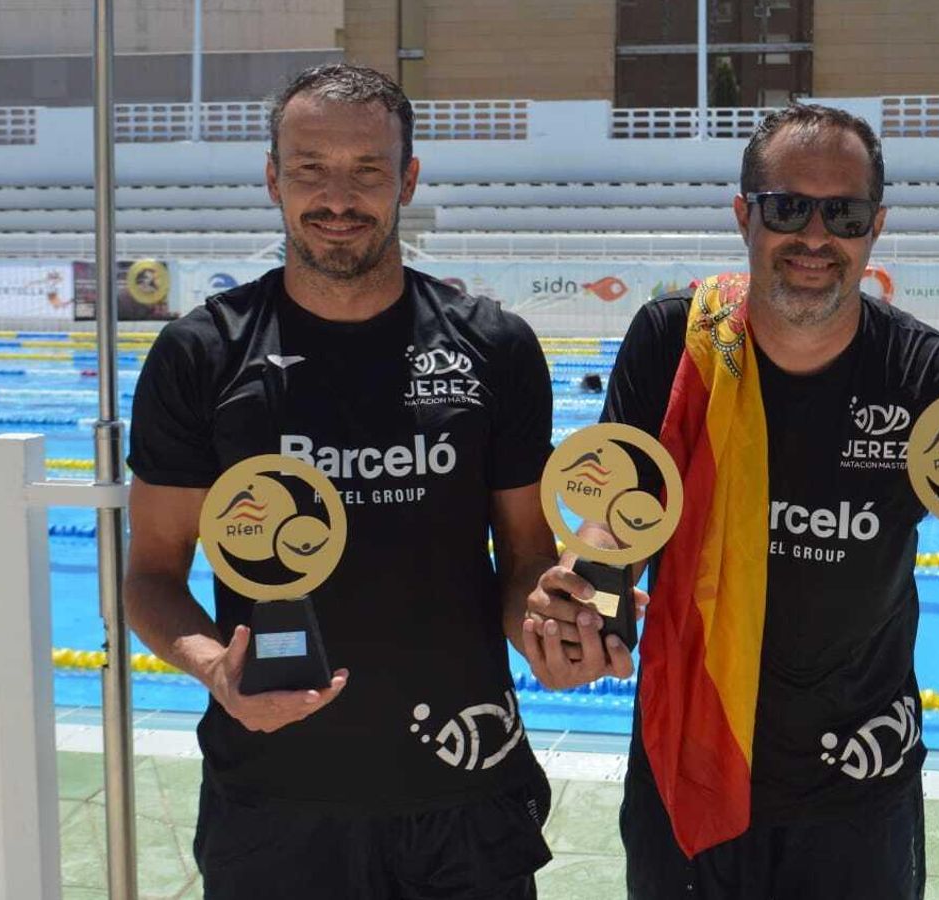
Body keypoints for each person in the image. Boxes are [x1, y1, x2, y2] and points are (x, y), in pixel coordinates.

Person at [520, 104, 939, 899]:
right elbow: (616, 518)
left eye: (845, 213)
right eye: (787, 207)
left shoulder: (931, 379)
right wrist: (574, 611)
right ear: (743, 216)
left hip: (857, 784)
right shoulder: (672, 344)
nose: (816, 237)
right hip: (687, 761)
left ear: (877, 227)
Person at [124, 64, 560, 899]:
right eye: (309, 167)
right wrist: (215, 667)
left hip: (465, 787)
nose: (337, 196)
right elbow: (150, 575)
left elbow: (527, 561)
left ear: (407, 178)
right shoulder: (202, 354)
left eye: (367, 169)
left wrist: (555, 625)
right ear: (272, 177)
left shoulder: (494, 348)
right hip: (275, 800)